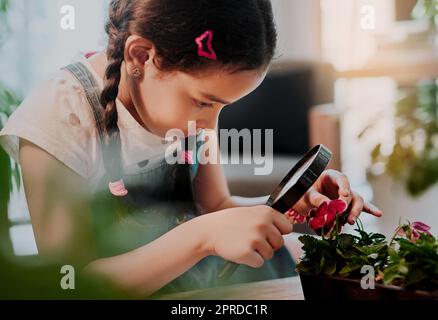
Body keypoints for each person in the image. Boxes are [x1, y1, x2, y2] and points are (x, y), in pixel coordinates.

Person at [0, 0, 382, 298]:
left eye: (223, 107)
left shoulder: (185, 112)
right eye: (204, 102)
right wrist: (201, 237)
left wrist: (291, 203)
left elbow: (216, 208)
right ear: (140, 58)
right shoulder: (61, 113)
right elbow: (67, 284)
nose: (211, 125)